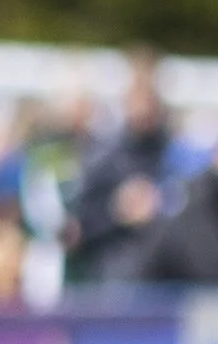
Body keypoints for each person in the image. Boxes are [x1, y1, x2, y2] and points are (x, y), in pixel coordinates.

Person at [68, 52, 187, 286]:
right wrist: (116, 210)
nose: (143, 106)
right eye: (137, 95)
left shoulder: (177, 155)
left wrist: (161, 204)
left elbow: (195, 217)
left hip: (168, 281)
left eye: (149, 95)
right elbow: (79, 227)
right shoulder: (102, 158)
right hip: (115, 281)